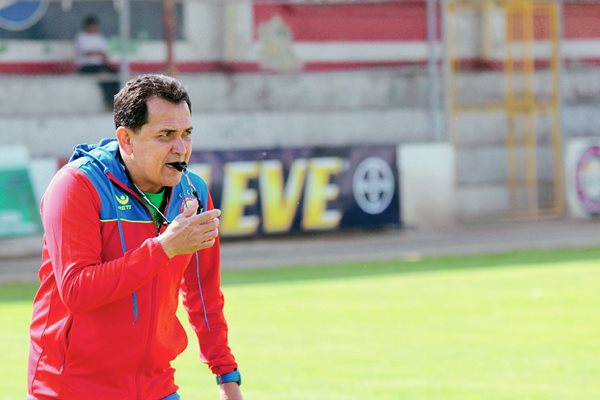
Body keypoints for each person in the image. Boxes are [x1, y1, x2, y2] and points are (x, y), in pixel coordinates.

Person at [27, 74, 244, 400]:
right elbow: (76, 290)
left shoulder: (194, 192)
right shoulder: (76, 186)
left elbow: (204, 293)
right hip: (70, 388)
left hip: (155, 386)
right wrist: (164, 248)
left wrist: (226, 375)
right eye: (165, 135)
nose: (181, 148)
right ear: (126, 139)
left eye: (186, 133)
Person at [74, 15, 119, 110]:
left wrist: (98, 54)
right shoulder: (81, 37)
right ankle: (108, 100)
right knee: (103, 75)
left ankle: (115, 99)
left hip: (100, 65)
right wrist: (96, 53)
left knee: (115, 74)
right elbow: (85, 53)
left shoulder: (100, 37)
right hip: (86, 66)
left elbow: (104, 54)